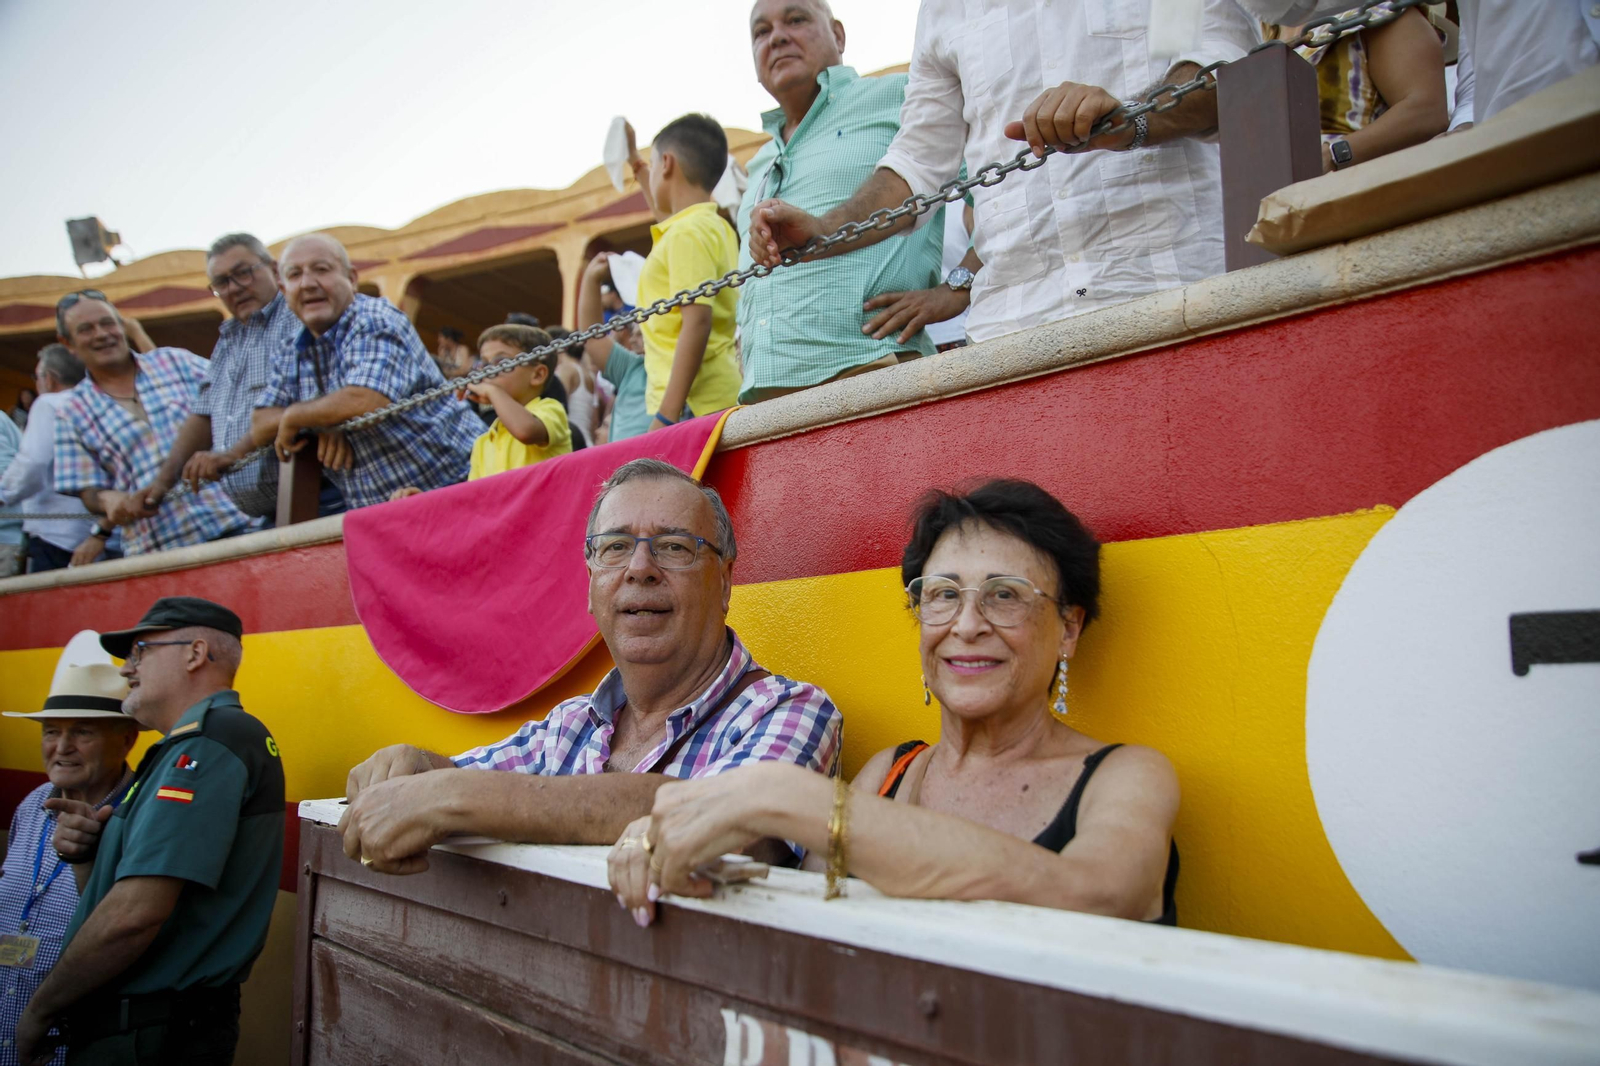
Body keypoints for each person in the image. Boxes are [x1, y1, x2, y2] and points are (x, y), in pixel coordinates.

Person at [610, 479, 1179, 927]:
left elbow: (1102, 895)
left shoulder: (1126, 776)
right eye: (943, 596)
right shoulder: (888, 774)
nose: (967, 625)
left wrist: (785, 797)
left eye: (1005, 595)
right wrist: (662, 841)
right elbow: (807, 927)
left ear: (1069, 627)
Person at [339, 459, 842, 905]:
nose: (640, 569)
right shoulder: (569, 725)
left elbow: (723, 820)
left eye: (673, 547)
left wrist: (448, 796)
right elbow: (469, 776)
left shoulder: (790, 709)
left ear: (726, 582)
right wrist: (415, 767)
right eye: (616, 547)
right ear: (591, 584)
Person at [746, 0, 1258, 344]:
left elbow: (1230, 70)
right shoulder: (944, 9)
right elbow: (918, 161)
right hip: (1011, 326)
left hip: (1177, 291)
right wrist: (822, 230)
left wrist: (1130, 119)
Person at [15, 597, 284, 1065]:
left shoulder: (207, 744)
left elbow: (135, 914)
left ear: (195, 653)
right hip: (145, 1029)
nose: (126, 669)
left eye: (140, 651)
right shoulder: (183, 747)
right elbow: (121, 899)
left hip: (149, 1035)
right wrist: (87, 858)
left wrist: (39, 1010)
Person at [736, 0, 967, 403]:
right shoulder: (756, 163)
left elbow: (998, 182)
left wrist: (957, 290)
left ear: (838, 35)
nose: (777, 37)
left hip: (874, 368)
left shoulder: (900, 96)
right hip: (767, 399)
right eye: (761, 31)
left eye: (796, 19)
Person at [248, 234, 483, 510]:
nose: (308, 283)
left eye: (321, 270)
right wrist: (323, 421)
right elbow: (261, 424)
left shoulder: (373, 317)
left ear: (352, 278)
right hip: (388, 513)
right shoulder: (291, 346)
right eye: (294, 274)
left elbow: (368, 399)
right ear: (284, 290)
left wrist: (298, 415)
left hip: (463, 484)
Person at [0, 664, 141, 1066]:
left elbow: (126, 933)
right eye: (51, 731)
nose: (61, 747)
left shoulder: (138, 818)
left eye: (82, 731)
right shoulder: (32, 805)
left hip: (74, 1048)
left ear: (127, 739)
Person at [146, 233, 338, 524]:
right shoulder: (227, 341)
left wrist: (232, 454)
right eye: (222, 282)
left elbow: (300, 404)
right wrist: (162, 483)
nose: (234, 288)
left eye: (243, 273)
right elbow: (204, 414)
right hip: (270, 514)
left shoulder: (297, 317)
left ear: (273, 270)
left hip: (322, 498)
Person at [50, 292, 254, 557]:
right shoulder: (71, 411)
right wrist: (109, 500)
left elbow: (243, 403)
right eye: (86, 329)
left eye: (108, 323)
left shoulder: (175, 362)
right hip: (160, 549)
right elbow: (88, 491)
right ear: (68, 343)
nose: (102, 334)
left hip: (236, 523)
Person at [620, 115, 742, 429]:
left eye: (651, 162)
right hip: (702, 396)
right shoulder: (707, 225)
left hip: (691, 403)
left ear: (666, 163)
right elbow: (666, 211)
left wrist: (666, 414)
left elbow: (697, 321)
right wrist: (636, 161)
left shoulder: (687, 233)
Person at [389, 324, 572, 500]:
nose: (488, 371)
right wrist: (426, 500)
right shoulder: (484, 442)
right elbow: (474, 499)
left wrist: (493, 391)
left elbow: (525, 430)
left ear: (537, 375)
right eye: (483, 363)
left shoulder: (549, 409)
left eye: (501, 362)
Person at [1264, 5, 1447, 171]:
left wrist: (1333, 155)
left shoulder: (1380, 10)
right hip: (1280, 200)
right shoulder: (1264, 39)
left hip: (1366, 193)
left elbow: (1427, 110)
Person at [0, 347, 117, 572]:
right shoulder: (105, 400)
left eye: (37, 377)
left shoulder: (49, 403)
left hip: (58, 535)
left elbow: (33, 463)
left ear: (50, 379)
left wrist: (3, 494)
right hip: (107, 529)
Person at [578, 258, 653, 443]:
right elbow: (593, 338)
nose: (634, 340)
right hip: (622, 466)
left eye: (641, 333)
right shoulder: (633, 368)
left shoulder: (685, 366)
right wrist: (591, 279)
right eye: (633, 332)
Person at [546, 328, 597, 449]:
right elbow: (594, 420)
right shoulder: (589, 374)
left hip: (570, 443)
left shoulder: (566, 369)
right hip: (586, 442)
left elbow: (557, 405)